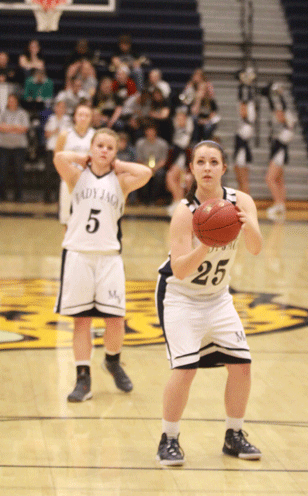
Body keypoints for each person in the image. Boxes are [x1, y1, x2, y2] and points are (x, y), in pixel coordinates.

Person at [155, 140, 263, 466]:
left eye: (213, 162)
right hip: (181, 298)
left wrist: (249, 224)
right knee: (185, 370)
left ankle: (234, 435)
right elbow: (180, 269)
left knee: (242, 365)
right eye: (200, 161)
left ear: (223, 168)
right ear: (191, 168)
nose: (206, 168)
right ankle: (169, 438)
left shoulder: (240, 201)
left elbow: (256, 248)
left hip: (217, 297)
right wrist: (205, 242)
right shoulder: (184, 212)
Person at [53, 127, 152, 402]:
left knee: (115, 319)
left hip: (109, 257)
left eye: (110, 147)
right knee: (81, 321)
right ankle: (83, 379)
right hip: (78, 255)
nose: (104, 151)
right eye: (100, 146)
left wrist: (118, 164)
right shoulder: (76, 176)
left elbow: (146, 174)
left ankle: (112, 360)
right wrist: (83, 157)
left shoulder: (121, 181)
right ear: (92, 147)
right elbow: (60, 157)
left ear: (115, 153)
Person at [54, 103, 95, 225]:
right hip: (69, 179)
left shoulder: (96, 135)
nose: (83, 118)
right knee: (66, 218)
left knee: (87, 217)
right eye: (80, 115)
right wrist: (64, 174)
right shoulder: (65, 135)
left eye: (87, 115)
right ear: (75, 117)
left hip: (89, 180)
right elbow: (57, 157)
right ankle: (67, 244)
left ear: (91, 118)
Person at [265, 82, 297, 220]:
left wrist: (280, 95)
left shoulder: (288, 122)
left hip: (280, 152)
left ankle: (278, 204)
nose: (277, 115)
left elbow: (282, 111)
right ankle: (281, 205)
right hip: (278, 150)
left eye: (279, 113)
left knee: (269, 178)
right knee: (279, 180)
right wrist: (270, 97)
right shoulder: (284, 122)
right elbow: (276, 110)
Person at [0, 93, 30, 202]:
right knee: (2, 172)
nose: (11, 102)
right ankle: (2, 195)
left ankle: (18, 196)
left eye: (13, 100)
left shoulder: (22, 113)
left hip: (19, 147)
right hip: (4, 146)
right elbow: (0, 127)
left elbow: (25, 128)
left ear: (17, 101)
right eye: (9, 100)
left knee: (19, 172)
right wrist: (15, 127)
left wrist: (8, 127)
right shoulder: (3, 113)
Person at [165, 106, 194, 216]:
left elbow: (183, 146)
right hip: (177, 157)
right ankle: (177, 202)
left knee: (171, 177)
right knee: (177, 181)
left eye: (182, 118)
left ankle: (178, 202)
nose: (178, 120)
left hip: (183, 158)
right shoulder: (177, 130)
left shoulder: (187, 131)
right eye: (178, 118)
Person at [233, 66, 257, 195]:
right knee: (239, 168)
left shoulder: (244, 89)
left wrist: (244, 116)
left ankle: (244, 203)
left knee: (241, 171)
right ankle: (242, 200)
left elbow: (243, 110)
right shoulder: (248, 89)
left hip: (244, 128)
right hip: (246, 127)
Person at [43, 99, 72, 202]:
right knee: (49, 174)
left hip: (63, 150)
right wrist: (54, 132)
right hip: (51, 149)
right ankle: (47, 197)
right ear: (55, 108)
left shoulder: (68, 120)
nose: (60, 109)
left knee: (61, 174)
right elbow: (46, 134)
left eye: (63, 107)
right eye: (59, 107)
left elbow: (70, 135)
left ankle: (59, 197)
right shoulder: (51, 119)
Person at [135, 119, 169, 204]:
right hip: (144, 166)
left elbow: (163, 160)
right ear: (145, 132)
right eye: (148, 131)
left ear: (155, 132)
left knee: (160, 174)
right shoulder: (140, 143)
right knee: (142, 174)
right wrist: (148, 167)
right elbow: (139, 159)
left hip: (158, 167)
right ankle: (144, 199)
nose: (150, 133)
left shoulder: (163, 143)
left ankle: (155, 199)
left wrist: (155, 168)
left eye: (152, 131)